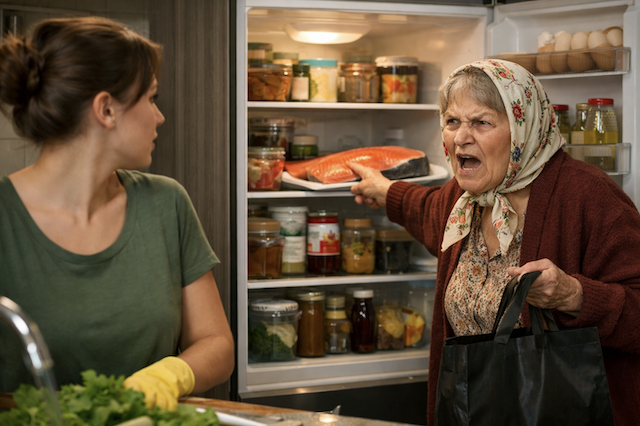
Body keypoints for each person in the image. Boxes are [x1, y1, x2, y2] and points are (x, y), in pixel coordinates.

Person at [349, 59, 640, 426]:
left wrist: (574, 296)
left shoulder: (588, 196)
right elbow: (424, 208)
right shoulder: (462, 199)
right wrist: (383, 189)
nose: (461, 137)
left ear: (523, 128)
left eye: (481, 122)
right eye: (452, 121)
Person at [0, 17, 234, 410]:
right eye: (151, 98)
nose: (159, 116)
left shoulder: (167, 203)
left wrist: (167, 376)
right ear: (106, 109)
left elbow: (217, 344)